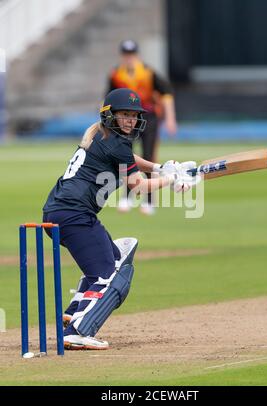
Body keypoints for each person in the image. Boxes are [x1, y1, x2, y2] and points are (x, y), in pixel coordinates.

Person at [42, 88, 191, 350]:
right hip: (74, 215)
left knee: (119, 256)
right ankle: (76, 330)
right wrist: (171, 180)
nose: (131, 121)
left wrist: (159, 168)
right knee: (109, 275)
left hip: (61, 212)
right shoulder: (117, 142)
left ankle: (75, 310)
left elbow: (128, 160)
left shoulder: (102, 135)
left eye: (134, 115)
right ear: (110, 114)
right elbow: (138, 186)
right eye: (125, 115)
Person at [106, 39, 178, 215]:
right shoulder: (116, 74)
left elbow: (167, 93)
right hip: (124, 120)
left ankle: (149, 201)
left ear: (136, 55)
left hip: (148, 117)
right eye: (126, 54)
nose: (129, 58)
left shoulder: (147, 72)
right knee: (125, 157)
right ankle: (127, 197)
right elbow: (108, 98)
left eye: (131, 54)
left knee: (149, 156)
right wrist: (107, 122)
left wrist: (170, 118)